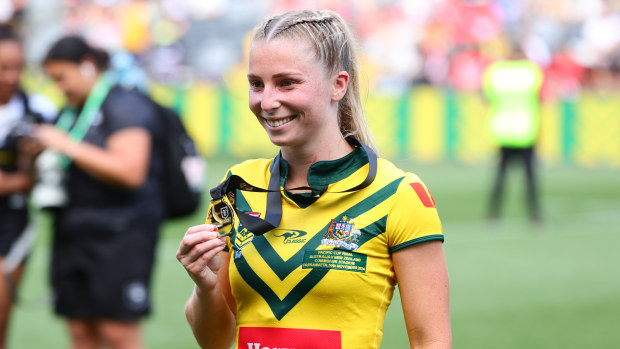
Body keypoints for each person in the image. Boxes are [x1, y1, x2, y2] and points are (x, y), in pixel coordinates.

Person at [177, 9, 451, 349]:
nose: (267, 101)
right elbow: (215, 340)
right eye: (256, 84)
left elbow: (432, 341)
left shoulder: (398, 194)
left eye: (286, 82)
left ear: (338, 84)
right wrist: (204, 285)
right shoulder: (237, 188)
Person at [32, 35, 165, 349]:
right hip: (73, 232)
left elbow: (130, 171)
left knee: (118, 334)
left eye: (62, 77)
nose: (59, 87)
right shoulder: (69, 111)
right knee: (80, 331)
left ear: (88, 66)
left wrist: (65, 145)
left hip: (121, 235)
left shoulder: (124, 104)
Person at [0, 25, 56, 349]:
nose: (10, 76)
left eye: (17, 67)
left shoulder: (39, 111)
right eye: (2, 68)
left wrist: (22, 176)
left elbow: (48, 177)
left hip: (11, 224)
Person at [482, 43, 544, 223]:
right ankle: (535, 214)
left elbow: (487, 97)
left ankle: (493, 213)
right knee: (530, 176)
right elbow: (540, 95)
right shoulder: (531, 71)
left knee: (500, 176)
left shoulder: (496, 72)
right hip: (525, 130)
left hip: (503, 131)